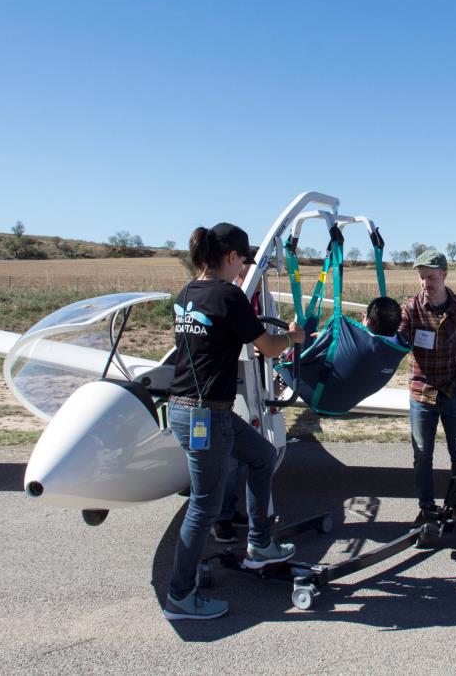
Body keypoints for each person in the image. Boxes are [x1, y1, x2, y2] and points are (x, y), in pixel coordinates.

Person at [163, 222, 305, 621]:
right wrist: (293, 336)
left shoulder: (187, 293)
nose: (243, 265)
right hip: (207, 414)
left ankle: (260, 543)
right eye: (243, 258)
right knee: (203, 507)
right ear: (230, 258)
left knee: (261, 455)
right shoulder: (229, 297)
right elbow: (269, 346)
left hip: (190, 408)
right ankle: (179, 596)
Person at [398, 250, 456, 523]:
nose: (426, 283)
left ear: (445, 275)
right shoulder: (410, 309)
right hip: (421, 393)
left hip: (453, 391)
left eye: (431, 277)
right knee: (422, 454)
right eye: (422, 278)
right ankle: (426, 508)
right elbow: (396, 340)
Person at [212, 261, 277, 544]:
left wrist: (272, 381)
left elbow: (271, 342)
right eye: (253, 273)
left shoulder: (266, 300)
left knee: (250, 450)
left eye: (262, 274)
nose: (259, 279)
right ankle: (221, 518)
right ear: (240, 271)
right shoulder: (230, 297)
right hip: (235, 379)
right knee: (231, 457)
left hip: (259, 376)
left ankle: (237, 510)